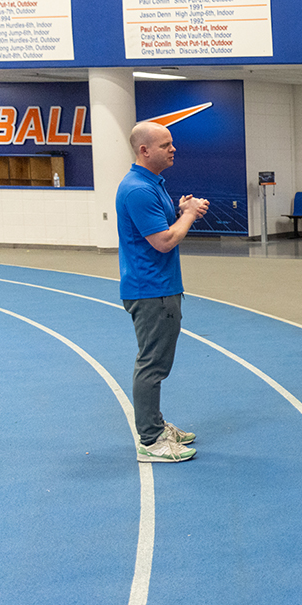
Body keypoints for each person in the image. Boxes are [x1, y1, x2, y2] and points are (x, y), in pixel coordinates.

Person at [116, 121, 209, 463]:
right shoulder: (138, 189)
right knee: (152, 365)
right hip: (151, 289)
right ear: (145, 150)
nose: (173, 149)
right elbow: (164, 240)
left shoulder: (151, 184)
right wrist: (190, 214)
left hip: (159, 286)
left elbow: (163, 226)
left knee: (156, 362)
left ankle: (154, 425)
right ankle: (151, 440)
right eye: (165, 144)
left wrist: (181, 210)